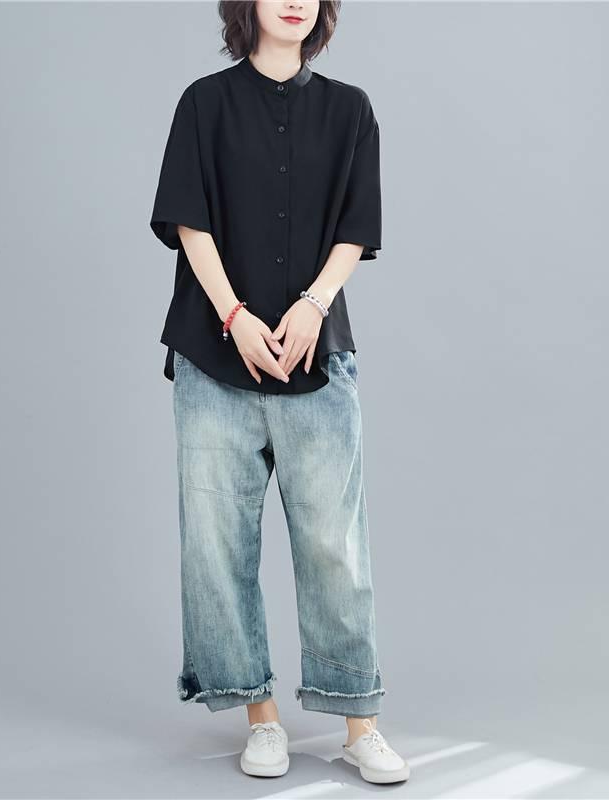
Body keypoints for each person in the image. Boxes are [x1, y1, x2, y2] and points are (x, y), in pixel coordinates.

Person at [149, 0, 410, 786]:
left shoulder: (350, 110)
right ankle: (259, 719)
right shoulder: (203, 103)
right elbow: (189, 221)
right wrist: (233, 315)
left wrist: (312, 305)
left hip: (315, 353)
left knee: (336, 546)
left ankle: (359, 721)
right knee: (216, 546)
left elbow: (356, 226)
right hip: (212, 354)